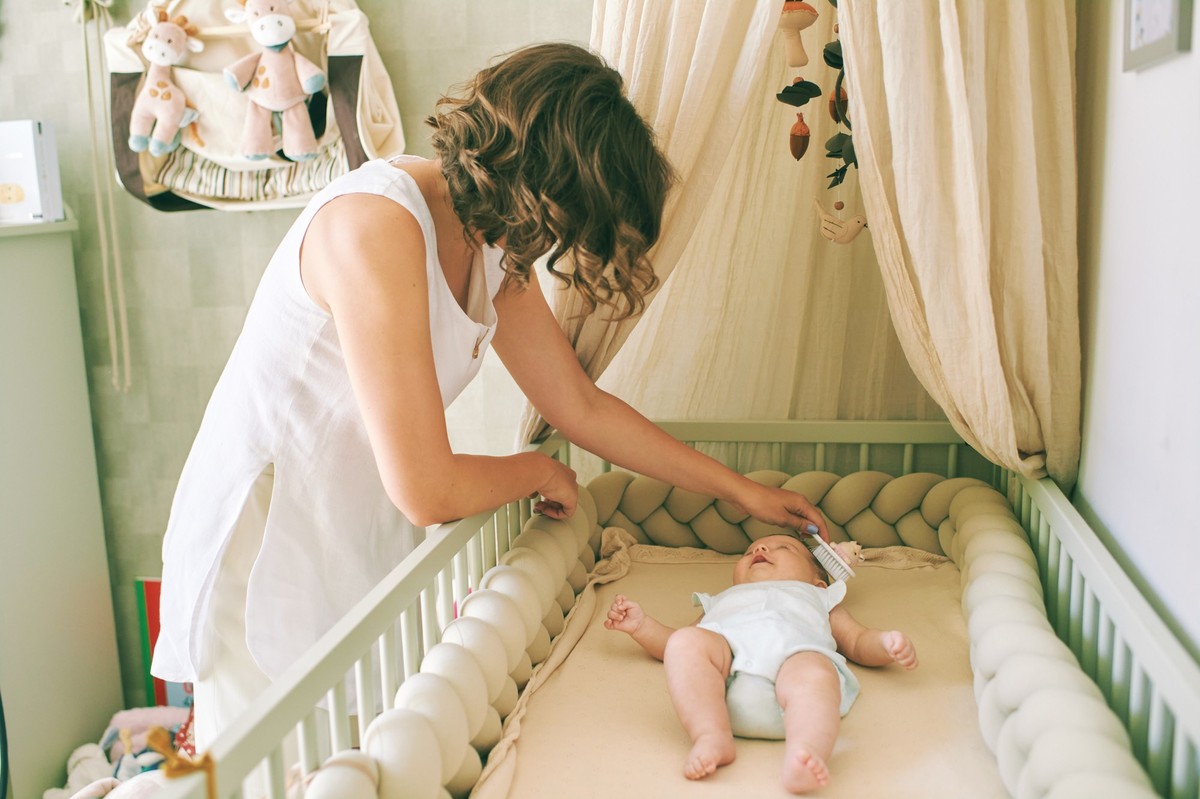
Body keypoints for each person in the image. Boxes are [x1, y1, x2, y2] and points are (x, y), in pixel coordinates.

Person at [150, 42, 832, 751]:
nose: (559, 246)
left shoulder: (491, 243)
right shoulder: (375, 225)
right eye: (568, 221)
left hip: (352, 518)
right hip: (268, 530)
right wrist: (537, 471)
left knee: (358, 753)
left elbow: (580, 405)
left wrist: (743, 492)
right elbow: (427, 489)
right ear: (540, 187)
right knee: (269, 760)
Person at [605, 534, 918, 794]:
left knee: (814, 671)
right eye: (750, 551)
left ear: (818, 582)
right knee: (686, 642)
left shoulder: (819, 598)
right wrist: (642, 627)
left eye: (784, 547)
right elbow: (674, 645)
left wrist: (885, 643)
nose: (761, 548)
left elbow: (857, 641)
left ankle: (806, 751)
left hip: (794, 672)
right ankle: (710, 735)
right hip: (721, 683)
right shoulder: (721, 600)